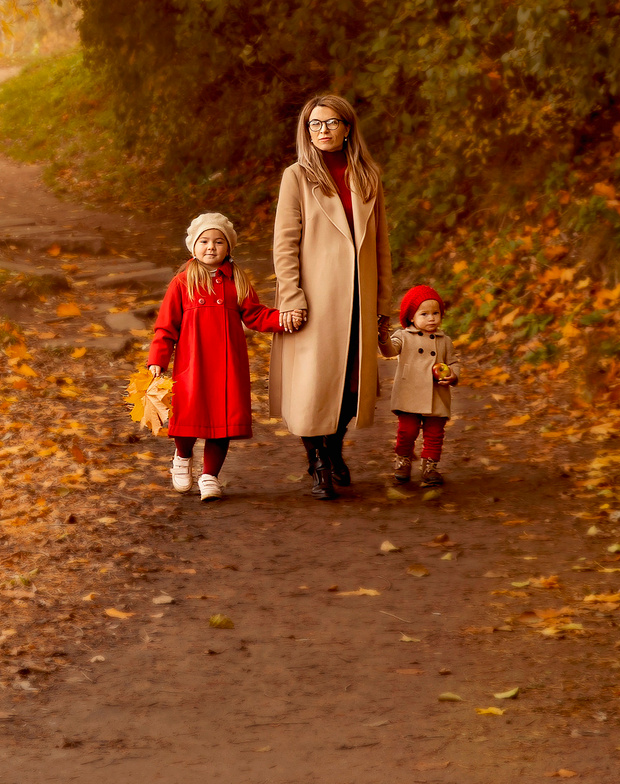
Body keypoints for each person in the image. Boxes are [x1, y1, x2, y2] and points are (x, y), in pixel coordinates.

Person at [269, 92, 397, 500]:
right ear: (306, 132)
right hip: (314, 297)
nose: (322, 131)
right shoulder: (297, 176)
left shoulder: (368, 176)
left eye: (331, 123)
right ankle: (318, 462)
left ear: (347, 128)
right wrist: (291, 296)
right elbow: (285, 243)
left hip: (359, 297)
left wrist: (382, 306)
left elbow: (381, 246)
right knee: (313, 384)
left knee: (351, 386)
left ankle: (334, 447)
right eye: (314, 125)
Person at [146, 212, 297, 502]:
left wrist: (283, 318)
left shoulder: (237, 281)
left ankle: (209, 475)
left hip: (228, 364)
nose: (211, 247)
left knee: (222, 420)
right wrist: (158, 360)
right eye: (204, 241)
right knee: (188, 414)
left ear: (229, 247)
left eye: (218, 241)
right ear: (193, 246)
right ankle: (182, 456)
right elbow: (166, 326)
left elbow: (255, 314)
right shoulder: (182, 282)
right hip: (193, 363)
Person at [388, 284, 457, 487]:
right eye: (424, 314)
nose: (432, 318)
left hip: (437, 394)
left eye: (436, 313)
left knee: (435, 434)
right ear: (411, 317)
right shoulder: (403, 337)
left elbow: (453, 363)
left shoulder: (445, 341)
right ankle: (403, 459)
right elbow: (390, 350)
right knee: (407, 431)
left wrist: (453, 375)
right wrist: (382, 335)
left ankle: (430, 467)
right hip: (410, 393)